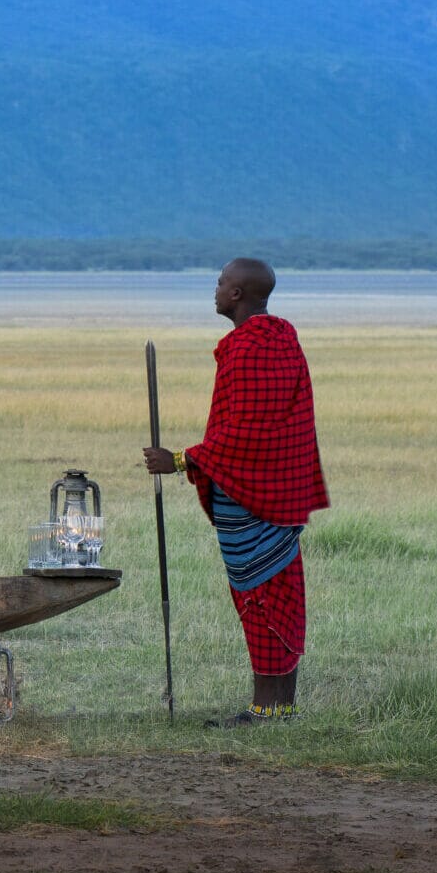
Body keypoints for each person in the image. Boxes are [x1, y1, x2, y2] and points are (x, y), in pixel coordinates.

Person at [142, 258, 328, 727]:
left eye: (222, 282)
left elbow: (245, 432)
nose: (216, 288)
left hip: (251, 495)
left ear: (239, 294)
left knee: (261, 597)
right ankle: (280, 706)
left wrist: (180, 459)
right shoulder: (283, 340)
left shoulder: (248, 351)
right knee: (277, 593)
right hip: (279, 489)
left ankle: (267, 710)